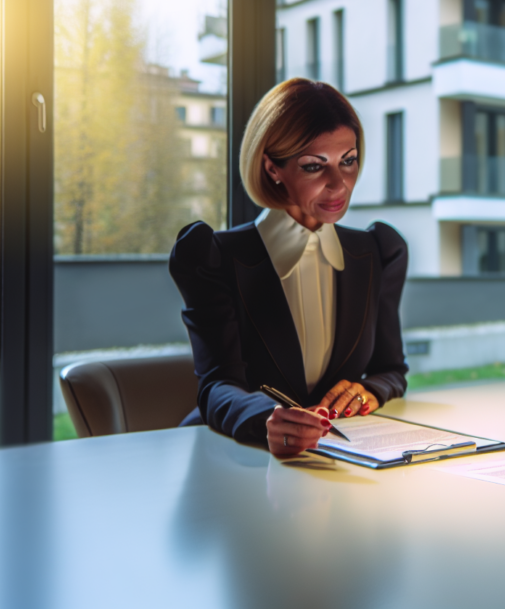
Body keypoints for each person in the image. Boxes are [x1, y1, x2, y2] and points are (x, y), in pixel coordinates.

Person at [169, 78, 409, 459]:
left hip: (340, 456)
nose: (339, 185)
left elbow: (391, 369)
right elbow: (216, 386)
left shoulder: (377, 252)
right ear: (272, 168)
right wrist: (267, 419)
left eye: (348, 161)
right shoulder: (214, 257)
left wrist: (369, 391)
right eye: (314, 166)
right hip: (233, 455)